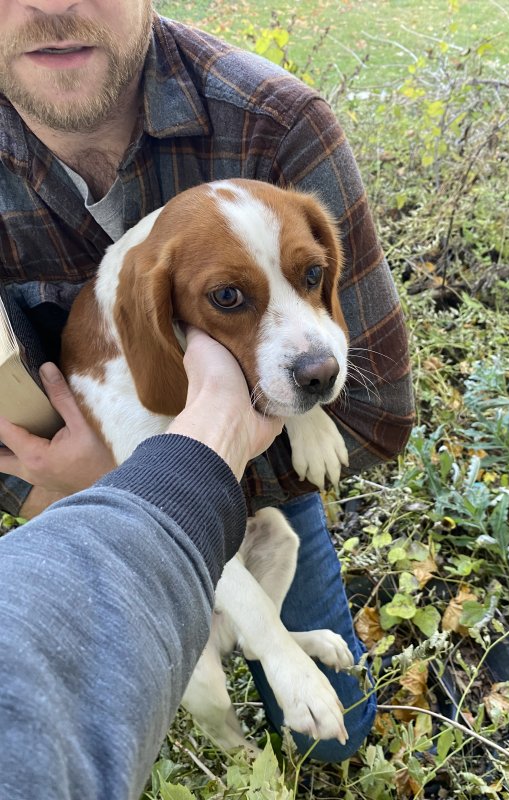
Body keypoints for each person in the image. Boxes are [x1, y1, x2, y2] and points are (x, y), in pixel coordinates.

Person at [0, 0, 414, 761]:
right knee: (172, 696)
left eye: (310, 276)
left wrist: (301, 415)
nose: (52, 4)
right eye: (229, 296)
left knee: (339, 737)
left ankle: (275, 652)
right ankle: (234, 750)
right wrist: (75, 490)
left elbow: (378, 416)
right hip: (79, 495)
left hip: (257, 473)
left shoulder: (274, 122)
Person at [0, 327, 284, 800]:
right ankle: (237, 738)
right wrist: (213, 434)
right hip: (143, 495)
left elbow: (379, 418)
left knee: (338, 737)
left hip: (248, 496)